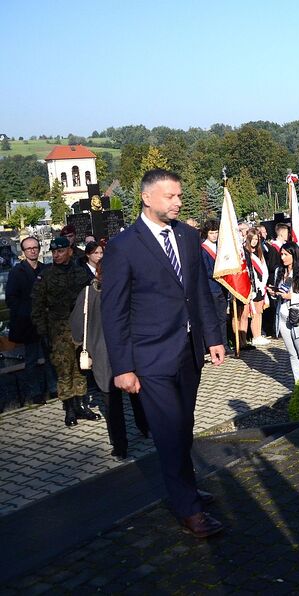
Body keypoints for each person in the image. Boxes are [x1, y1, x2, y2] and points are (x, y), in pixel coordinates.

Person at [101, 168, 226, 538]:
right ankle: (188, 509)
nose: (178, 202)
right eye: (170, 196)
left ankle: (186, 488)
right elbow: (114, 312)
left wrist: (213, 337)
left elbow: (199, 291)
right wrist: (123, 367)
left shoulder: (186, 236)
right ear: (147, 198)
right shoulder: (124, 246)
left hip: (189, 351)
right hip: (150, 358)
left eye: (180, 195)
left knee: (183, 426)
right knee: (169, 432)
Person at [70, 261, 149, 460]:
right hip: (128, 351)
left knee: (111, 403)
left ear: (97, 273)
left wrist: (82, 342)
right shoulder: (127, 291)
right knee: (136, 393)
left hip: (102, 354)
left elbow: (76, 327)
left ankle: (120, 446)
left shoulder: (88, 294)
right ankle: (146, 427)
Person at [31, 236, 97, 426]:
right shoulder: (46, 276)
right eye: (53, 252)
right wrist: (43, 332)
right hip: (58, 331)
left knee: (81, 368)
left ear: (69, 251)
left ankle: (81, 405)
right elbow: (37, 306)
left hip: (80, 329)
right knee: (64, 369)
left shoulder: (80, 273)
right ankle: (69, 409)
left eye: (60, 251)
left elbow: (91, 297)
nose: (56, 255)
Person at [6, 236, 57, 405]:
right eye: (29, 248)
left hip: (46, 321)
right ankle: (36, 393)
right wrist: (27, 312)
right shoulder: (16, 272)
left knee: (50, 357)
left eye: (35, 247)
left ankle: (53, 388)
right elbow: (11, 299)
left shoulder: (46, 269)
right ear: (23, 252)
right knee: (32, 360)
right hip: (28, 323)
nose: (33, 250)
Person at [269, 242, 299, 382]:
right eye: (281, 254)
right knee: (292, 355)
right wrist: (274, 293)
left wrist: (292, 297)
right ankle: (298, 385)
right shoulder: (279, 271)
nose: (282, 257)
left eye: (286, 254)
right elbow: (280, 293)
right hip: (284, 317)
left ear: (294, 255)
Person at [200, 219, 232, 354]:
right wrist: (220, 272)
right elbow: (206, 270)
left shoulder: (221, 247)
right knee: (211, 319)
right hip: (212, 288)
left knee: (222, 318)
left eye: (216, 232)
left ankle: (224, 344)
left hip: (223, 287)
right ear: (206, 233)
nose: (214, 235)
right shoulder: (203, 249)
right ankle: (209, 346)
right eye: (211, 233)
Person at [239, 228, 270, 347]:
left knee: (259, 311)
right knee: (248, 314)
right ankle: (246, 340)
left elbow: (264, 269)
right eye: (252, 239)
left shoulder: (259, 251)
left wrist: (263, 284)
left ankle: (257, 336)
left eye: (256, 239)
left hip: (261, 286)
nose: (254, 241)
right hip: (250, 286)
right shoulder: (245, 252)